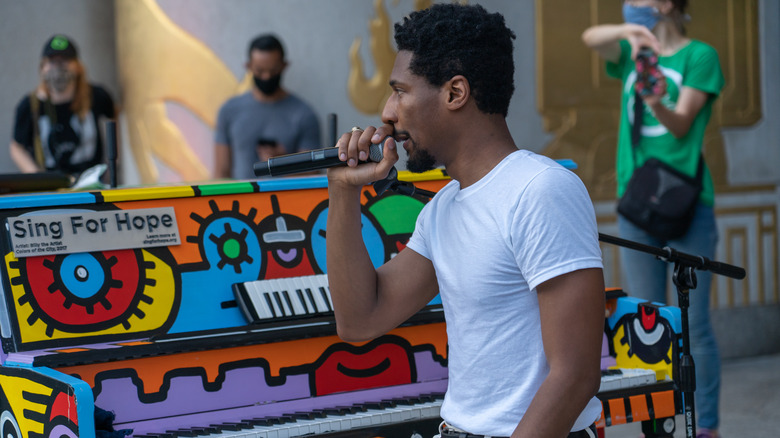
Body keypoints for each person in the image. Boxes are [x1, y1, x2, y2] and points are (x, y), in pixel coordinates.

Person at [326, 4, 605, 438]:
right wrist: (343, 193)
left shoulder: (540, 190)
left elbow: (575, 375)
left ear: (455, 93)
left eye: (400, 91)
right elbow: (360, 320)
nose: (387, 112)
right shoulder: (443, 207)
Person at [582, 1, 724, 437]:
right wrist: (633, 32)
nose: (631, 3)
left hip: (687, 204)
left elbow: (682, 125)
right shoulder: (632, 53)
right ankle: (658, 425)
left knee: (692, 324)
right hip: (638, 203)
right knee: (649, 322)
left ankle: (705, 427)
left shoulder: (699, 56)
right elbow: (590, 39)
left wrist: (654, 98)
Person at [213, 34, 321, 179]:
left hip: (286, 200)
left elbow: (313, 174)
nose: (266, 77)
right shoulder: (229, 110)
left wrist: (284, 163)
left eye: (273, 71)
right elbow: (221, 172)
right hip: (242, 200)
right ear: (248, 67)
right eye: (260, 71)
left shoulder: (304, 114)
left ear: (284, 66)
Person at [10, 34, 116, 177]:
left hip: (91, 184)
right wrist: (35, 176)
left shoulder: (97, 96)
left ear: (78, 67)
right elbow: (17, 147)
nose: (58, 67)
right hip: (51, 190)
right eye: (52, 61)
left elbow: (114, 119)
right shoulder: (30, 106)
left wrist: (113, 164)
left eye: (65, 60)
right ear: (42, 67)